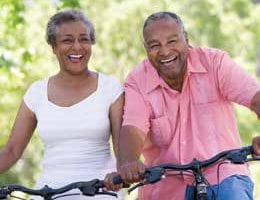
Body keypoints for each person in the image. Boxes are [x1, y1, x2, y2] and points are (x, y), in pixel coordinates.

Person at [117, 11, 260, 200]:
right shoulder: (137, 80)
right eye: (154, 45)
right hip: (166, 182)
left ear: (186, 38)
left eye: (172, 41)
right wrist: (128, 162)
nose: (165, 51)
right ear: (145, 48)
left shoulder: (214, 63)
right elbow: (133, 128)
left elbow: (255, 98)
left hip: (225, 174)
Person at [0, 9, 124, 199]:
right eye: (67, 40)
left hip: (99, 189)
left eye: (84, 39)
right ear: (54, 47)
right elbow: (11, 150)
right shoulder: (37, 92)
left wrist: (122, 173)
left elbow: (122, 150)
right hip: (49, 191)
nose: (77, 47)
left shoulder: (110, 88)